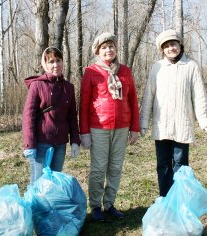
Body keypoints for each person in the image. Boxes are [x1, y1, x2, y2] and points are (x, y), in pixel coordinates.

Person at [139, 29, 207, 197]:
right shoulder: (157, 67)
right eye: (167, 46)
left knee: (181, 165)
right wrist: (143, 122)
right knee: (163, 164)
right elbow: (148, 96)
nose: (171, 48)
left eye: (173, 44)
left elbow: (199, 95)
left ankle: (180, 198)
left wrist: (204, 120)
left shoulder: (191, 66)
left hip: (182, 125)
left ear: (179, 45)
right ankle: (165, 197)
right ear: (162, 49)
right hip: (162, 126)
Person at [79, 32, 140, 222]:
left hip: (122, 127)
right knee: (98, 169)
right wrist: (84, 132)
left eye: (111, 46)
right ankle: (95, 205)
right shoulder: (91, 72)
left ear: (116, 48)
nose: (108, 50)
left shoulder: (125, 71)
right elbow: (84, 104)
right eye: (104, 47)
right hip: (99, 127)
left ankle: (110, 204)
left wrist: (135, 128)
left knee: (115, 168)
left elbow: (132, 100)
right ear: (98, 51)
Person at [22, 47, 81, 184]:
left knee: (53, 182)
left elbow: (72, 116)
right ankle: (35, 206)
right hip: (42, 143)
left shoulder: (69, 88)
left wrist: (75, 141)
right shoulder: (37, 85)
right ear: (45, 65)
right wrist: (29, 144)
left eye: (58, 60)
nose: (56, 65)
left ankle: (50, 206)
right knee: (39, 183)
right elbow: (28, 116)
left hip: (60, 144)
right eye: (51, 61)